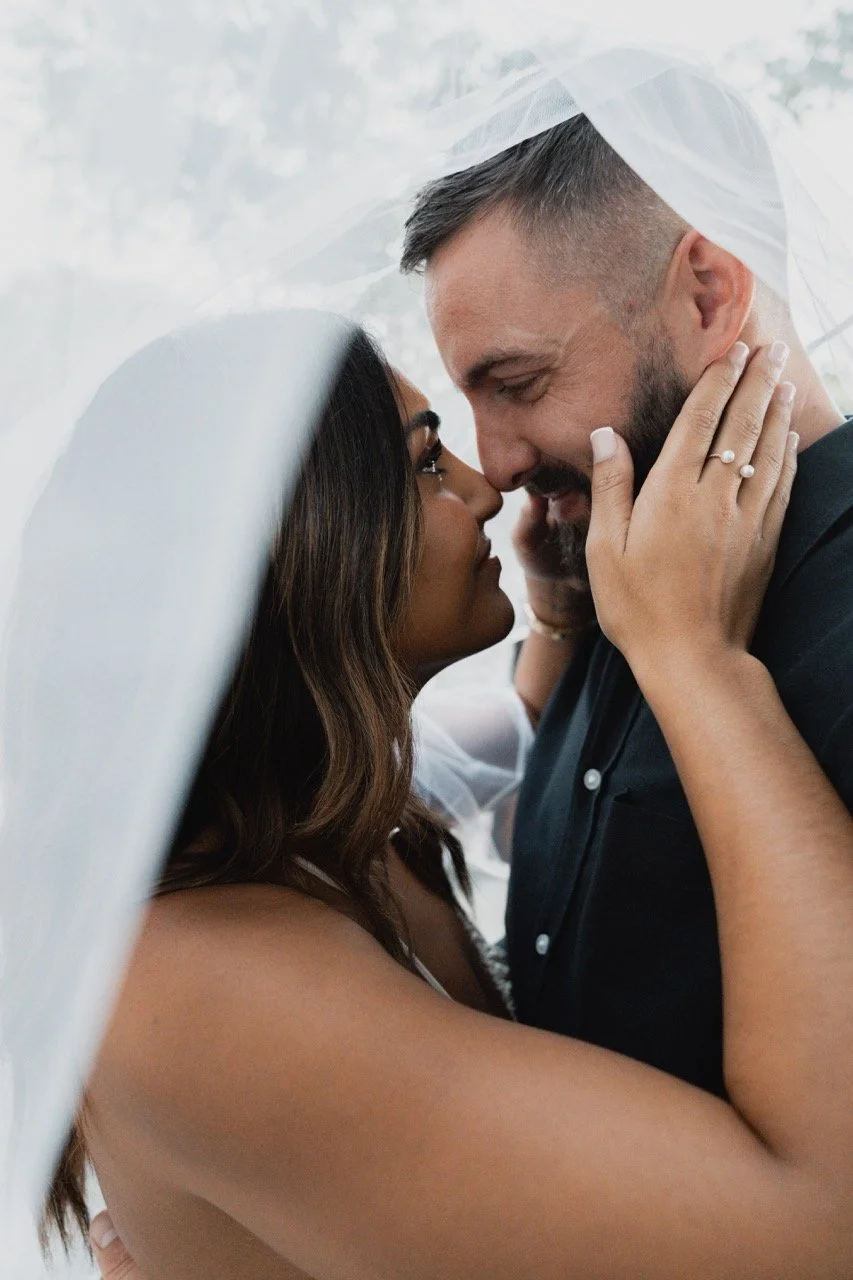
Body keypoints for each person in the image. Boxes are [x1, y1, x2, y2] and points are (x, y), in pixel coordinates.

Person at [47, 309, 853, 1278]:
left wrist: (558, 622)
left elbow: (501, 741)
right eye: (426, 462)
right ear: (310, 541)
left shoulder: (317, 821)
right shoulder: (192, 984)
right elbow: (819, 1226)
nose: (483, 485)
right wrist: (699, 661)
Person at [401, 112, 853, 1097]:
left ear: (706, 292)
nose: (498, 462)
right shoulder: (617, 553)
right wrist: (560, 628)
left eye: (516, 380)